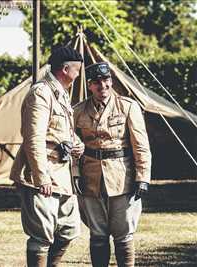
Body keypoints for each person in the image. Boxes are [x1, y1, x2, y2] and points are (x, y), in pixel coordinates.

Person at [10, 46, 85, 267]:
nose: (79, 74)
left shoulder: (60, 93)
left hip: (62, 175)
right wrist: (41, 177)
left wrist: (76, 144)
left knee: (70, 230)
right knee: (41, 236)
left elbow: (59, 131)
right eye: (77, 69)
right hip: (43, 175)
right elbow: (33, 138)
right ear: (65, 68)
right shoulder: (41, 92)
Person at [73, 62, 152, 267]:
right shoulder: (79, 111)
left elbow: (141, 145)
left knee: (123, 233)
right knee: (97, 234)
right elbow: (73, 147)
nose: (103, 86)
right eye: (97, 82)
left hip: (121, 177)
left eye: (106, 80)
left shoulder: (128, 107)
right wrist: (75, 174)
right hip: (90, 178)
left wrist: (142, 178)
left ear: (111, 81)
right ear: (89, 85)